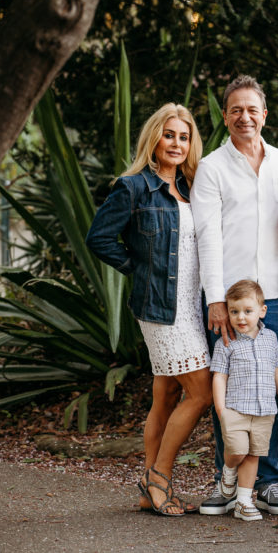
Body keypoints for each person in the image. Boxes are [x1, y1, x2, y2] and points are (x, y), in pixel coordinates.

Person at [86, 103, 212, 517]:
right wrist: (139, 270)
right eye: (169, 134)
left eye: (184, 136)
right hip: (159, 308)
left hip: (192, 304)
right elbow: (99, 238)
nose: (176, 143)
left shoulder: (193, 187)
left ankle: (148, 487)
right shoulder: (133, 186)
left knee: (167, 392)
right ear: (154, 138)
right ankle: (158, 477)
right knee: (201, 391)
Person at [191, 75, 278, 516]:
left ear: (265, 115)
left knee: (269, 389)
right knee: (232, 389)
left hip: (275, 297)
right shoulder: (213, 168)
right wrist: (216, 299)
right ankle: (228, 478)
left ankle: (270, 480)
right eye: (236, 110)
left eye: (252, 109)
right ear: (225, 116)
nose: (244, 117)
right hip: (231, 302)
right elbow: (207, 237)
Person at [210, 279, 278, 521]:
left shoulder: (270, 339)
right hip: (235, 409)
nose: (241, 318)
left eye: (248, 311)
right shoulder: (226, 342)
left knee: (253, 455)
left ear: (262, 311)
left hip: (265, 410)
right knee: (237, 452)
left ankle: (244, 501)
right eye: (234, 311)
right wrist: (221, 409)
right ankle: (228, 472)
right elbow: (219, 376)